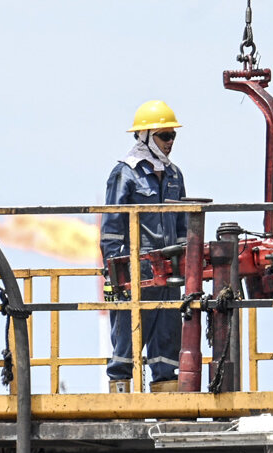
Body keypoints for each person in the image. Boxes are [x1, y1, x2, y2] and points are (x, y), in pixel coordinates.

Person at [102, 100, 187, 393]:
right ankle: (120, 405)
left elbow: (183, 228)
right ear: (146, 136)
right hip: (135, 271)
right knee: (126, 339)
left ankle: (168, 406)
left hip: (170, 270)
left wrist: (188, 267)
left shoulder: (174, 175)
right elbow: (111, 227)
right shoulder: (125, 173)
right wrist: (114, 274)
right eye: (165, 136)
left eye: (173, 135)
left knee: (167, 342)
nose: (170, 142)